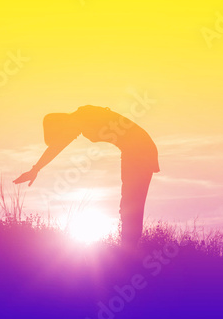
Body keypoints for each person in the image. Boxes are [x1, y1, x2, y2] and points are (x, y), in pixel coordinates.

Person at [13, 105, 159, 249]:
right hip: (137, 150)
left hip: (139, 151)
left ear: (61, 125)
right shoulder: (80, 118)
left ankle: (129, 249)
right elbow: (58, 144)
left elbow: (57, 146)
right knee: (131, 203)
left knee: (131, 204)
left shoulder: (80, 117)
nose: (71, 137)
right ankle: (129, 246)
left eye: (61, 134)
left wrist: (35, 169)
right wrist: (35, 169)